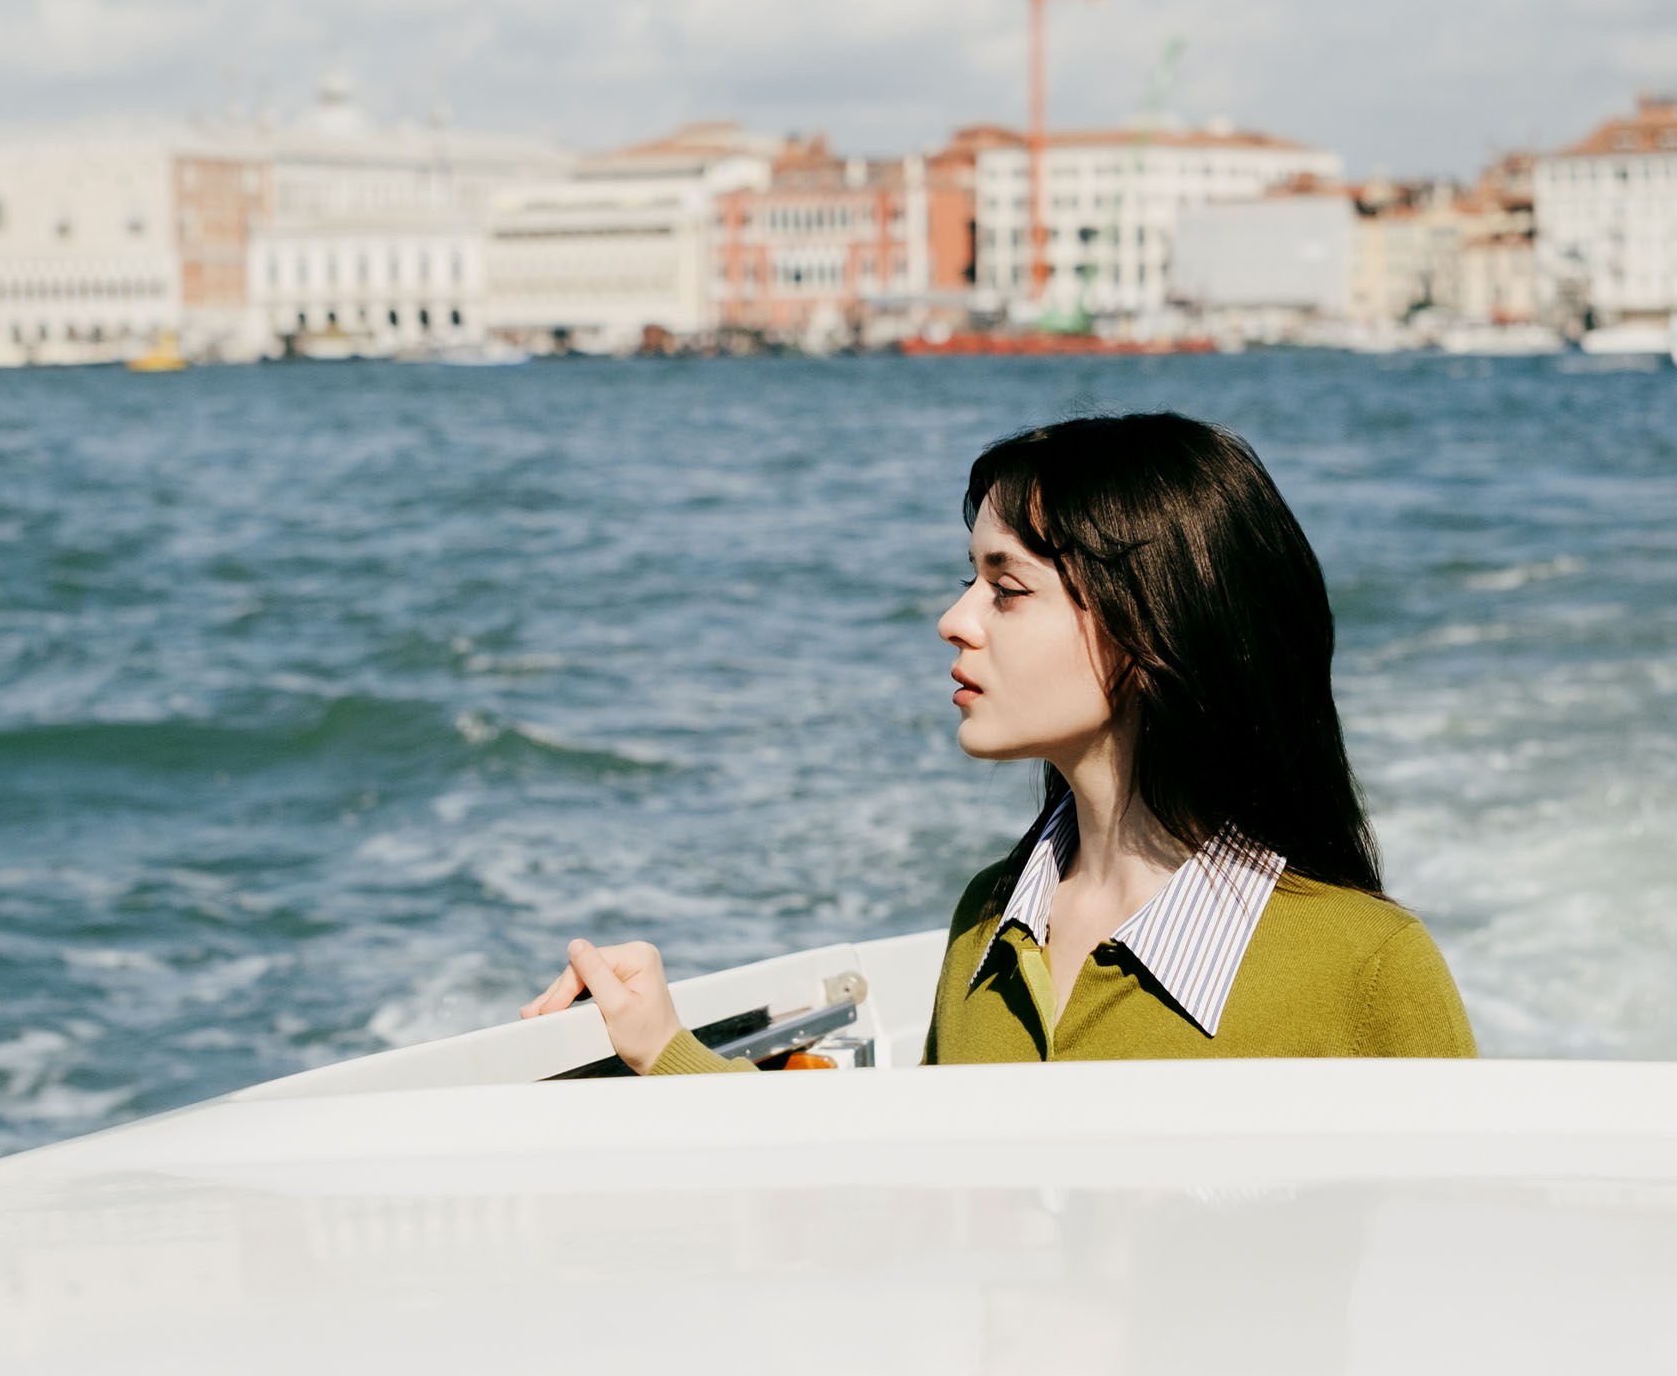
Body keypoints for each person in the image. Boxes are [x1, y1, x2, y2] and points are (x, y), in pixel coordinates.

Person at [521, 412, 1475, 1070]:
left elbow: (1448, 1290)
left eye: (1006, 589)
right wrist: (658, 1040)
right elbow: (923, 1197)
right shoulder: (989, 920)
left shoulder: (1366, 966)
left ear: (1153, 630)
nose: (954, 619)